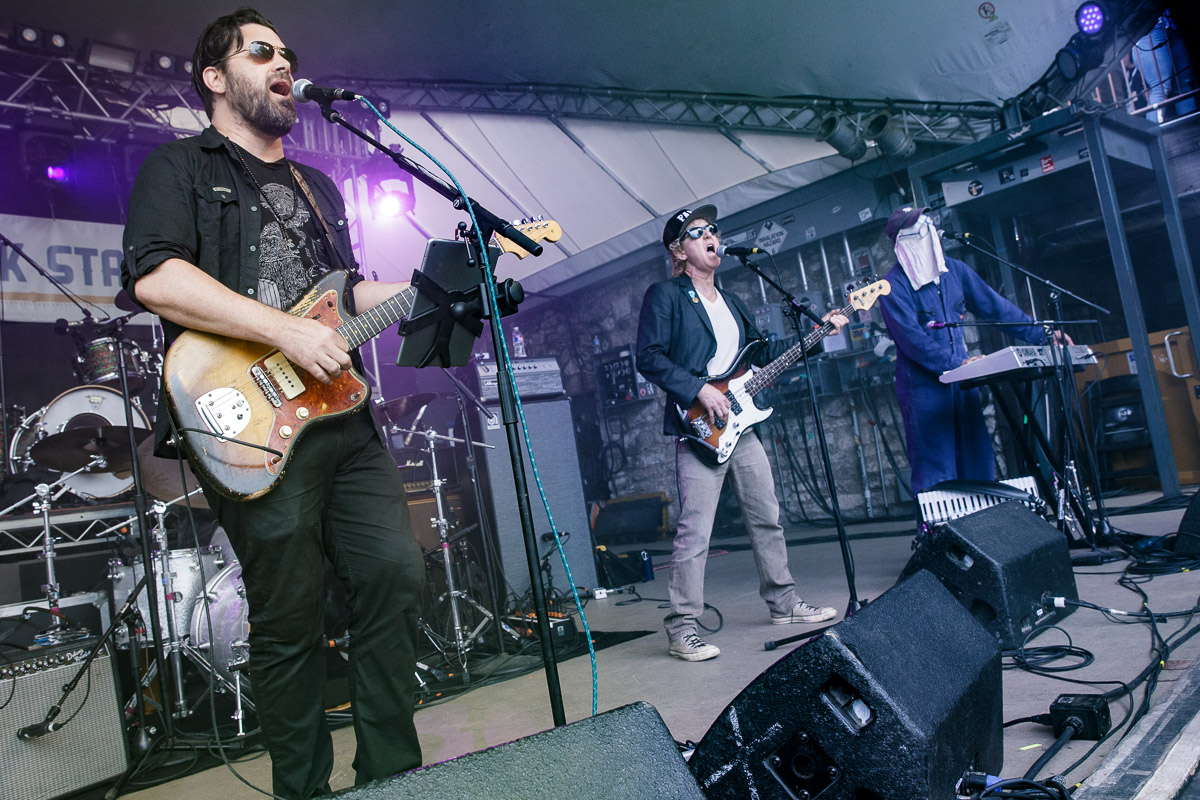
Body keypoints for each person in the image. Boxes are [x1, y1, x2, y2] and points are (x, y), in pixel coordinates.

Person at [120, 9, 424, 798]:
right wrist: (282, 333)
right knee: (288, 625)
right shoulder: (179, 168)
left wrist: (446, 284)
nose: (283, 61)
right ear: (216, 79)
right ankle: (304, 791)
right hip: (250, 428)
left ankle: (393, 778)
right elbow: (156, 276)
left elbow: (346, 293)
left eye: (287, 52)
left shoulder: (316, 185)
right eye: (262, 51)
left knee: (394, 576)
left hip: (343, 419)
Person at [636, 206, 845, 662]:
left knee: (766, 515)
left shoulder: (732, 302)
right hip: (699, 428)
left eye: (714, 229)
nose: (711, 236)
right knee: (695, 532)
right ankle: (682, 628)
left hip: (741, 425)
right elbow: (648, 357)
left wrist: (819, 331)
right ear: (680, 249)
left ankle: (784, 604)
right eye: (698, 233)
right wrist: (698, 389)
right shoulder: (666, 295)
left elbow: (764, 356)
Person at [877, 207, 1064, 496]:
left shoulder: (956, 272)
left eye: (931, 228)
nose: (932, 236)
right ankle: (938, 538)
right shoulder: (891, 286)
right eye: (921, 230)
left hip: (964, 384)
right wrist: (958, 363)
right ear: (903, 241)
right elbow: (912, 340)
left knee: (978, 461)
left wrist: (1043, 335)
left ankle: (982, 536)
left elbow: (997, 308)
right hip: (924, 388)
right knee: (936, 471)